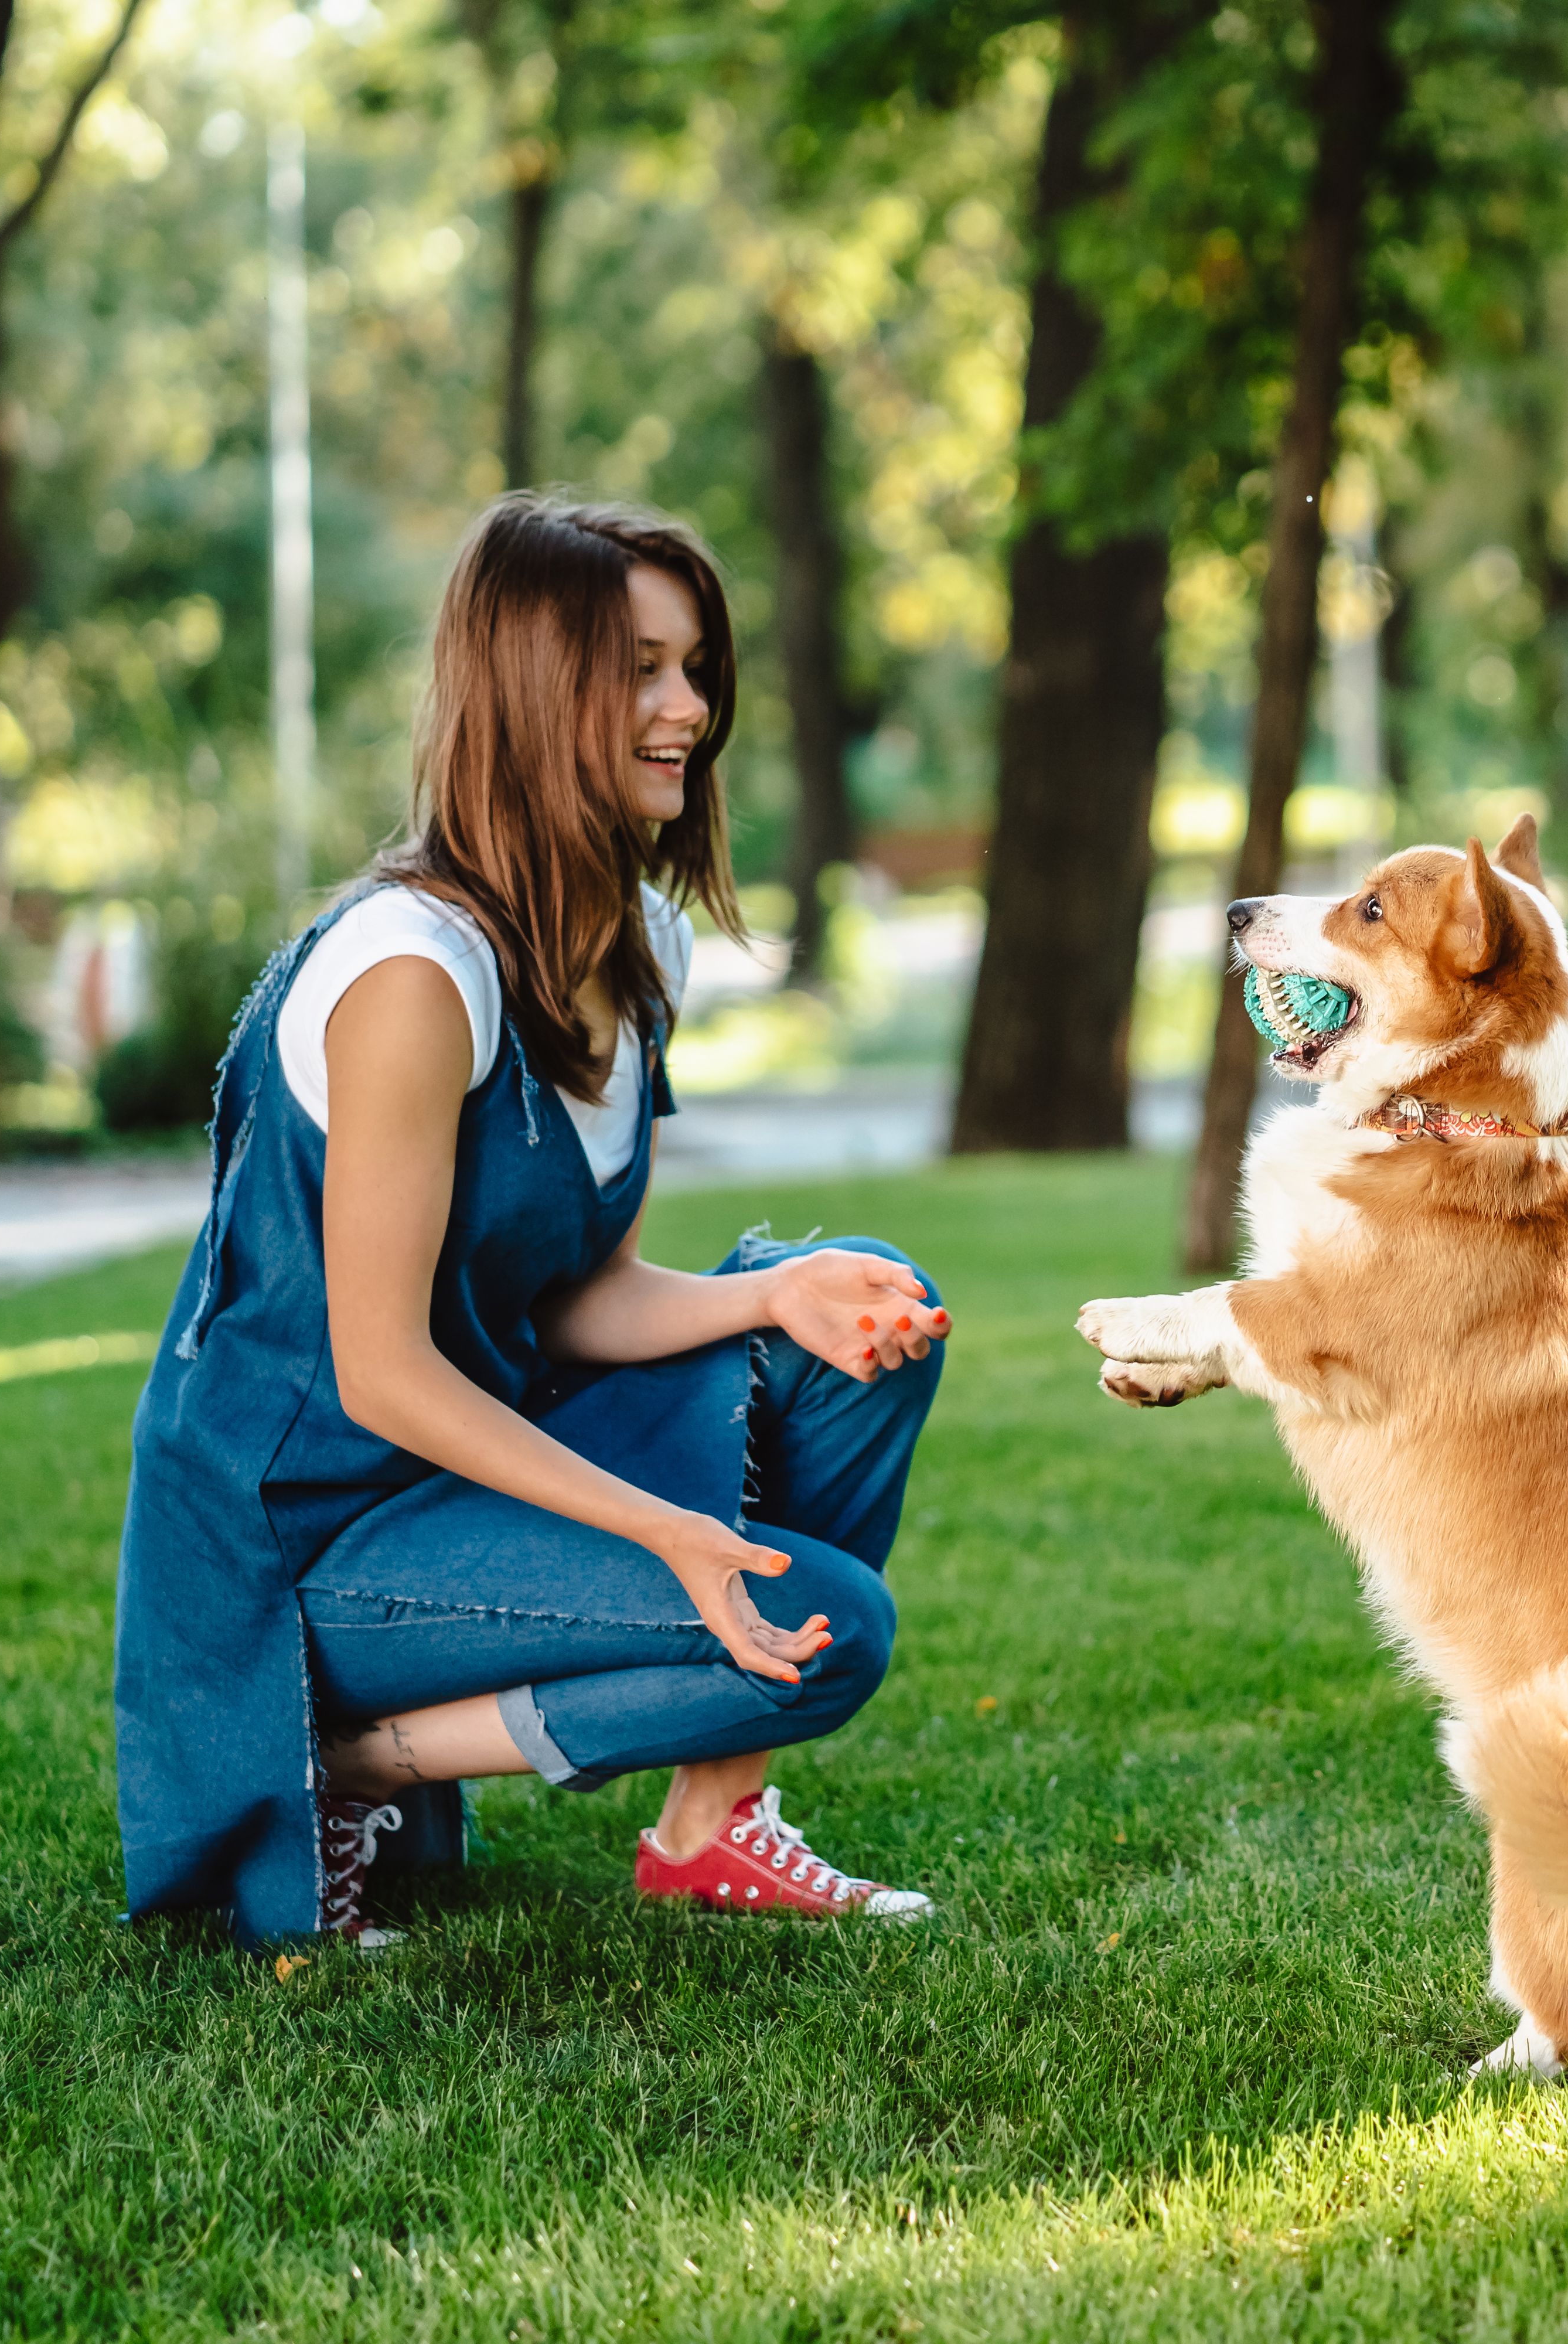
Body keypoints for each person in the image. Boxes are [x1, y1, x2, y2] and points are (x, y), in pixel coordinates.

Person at [114, 495, 952, 1950]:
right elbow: (377, 1370)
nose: (687, 708)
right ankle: (346, 1757)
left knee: (869, 1317)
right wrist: (672, 1530)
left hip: (475, 1462)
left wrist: (775, 1296)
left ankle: (713, 1825)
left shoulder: (635, 941)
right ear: (528, 690)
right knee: (839, 1626)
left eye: (693, 668)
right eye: (640, 668)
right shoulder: (410, 976)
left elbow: (577, 1295)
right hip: (310, 1541)